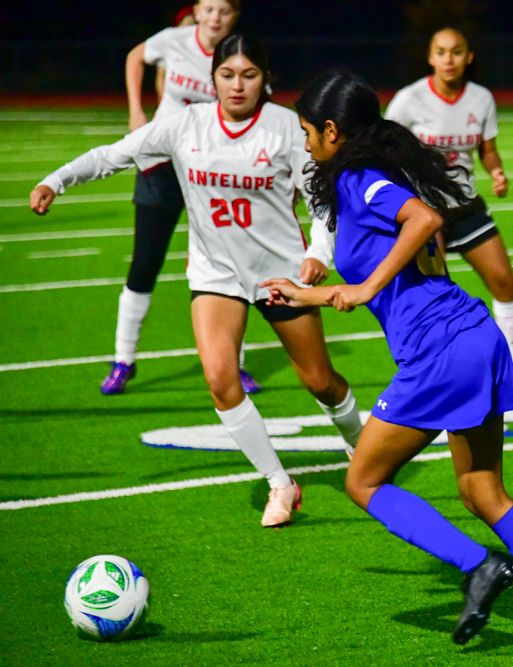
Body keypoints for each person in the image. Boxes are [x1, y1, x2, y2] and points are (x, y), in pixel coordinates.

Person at [261, 68, 513, 644]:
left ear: (332, 131)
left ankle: (479, 565)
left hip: (440, 351)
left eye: (307, 133)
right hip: (472, 334)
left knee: (364, 482)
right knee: (482, 492)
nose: (305, 145)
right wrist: (309, 294)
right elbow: (401, 261)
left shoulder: (360, 180)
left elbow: (423, 222)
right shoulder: (382, 176)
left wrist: (363, 288)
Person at [30, 35, 363, 528]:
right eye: (227, 75)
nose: (237, 85)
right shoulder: (186, 124)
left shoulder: (286, 128)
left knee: (320, 380)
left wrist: (318, 253)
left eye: (249, 75)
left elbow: (320, 201)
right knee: (220, 380)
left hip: (280, 274)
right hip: (216, 273)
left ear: (266, 80)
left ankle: (361, 446)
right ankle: (280, 483)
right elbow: (115, 154)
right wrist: (55, 180)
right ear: (212, 78)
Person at [108, 0, 272, 395]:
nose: (215, 18)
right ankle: (123, 360)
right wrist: (136, 110)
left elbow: (260, 108)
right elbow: (135, 57)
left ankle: (234, 364)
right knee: (145, 263)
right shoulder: (173, 40)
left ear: (235, 16)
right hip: (161, 165)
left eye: (224, 11)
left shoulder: (241, 55)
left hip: (213, 174)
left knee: (229, 268)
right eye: (209, 9)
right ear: (196, 11)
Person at [384, 27, 513, 389]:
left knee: (504, 280)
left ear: (469, 57)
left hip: (466, 205)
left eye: (457, 52)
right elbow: (384, 150)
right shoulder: (409, 100)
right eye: (441, 52)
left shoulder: (481, 98)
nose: (449, 59)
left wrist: (497, 172)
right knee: (432, 291)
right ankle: (431, 366)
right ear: (430, 57)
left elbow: (487, 149)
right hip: (425, 212)